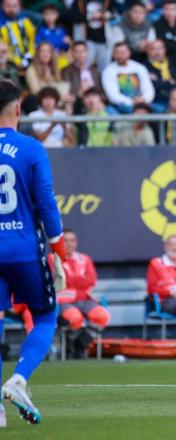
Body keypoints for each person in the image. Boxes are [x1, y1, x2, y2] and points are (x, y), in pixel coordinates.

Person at [0, 78, 65, 425]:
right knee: (44, 317)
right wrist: (60, 252)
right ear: (18, 109)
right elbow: (46, 204)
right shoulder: (30, 148)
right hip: (24, 249)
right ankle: (19, 379)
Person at [47, 229, 110, 358]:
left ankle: (80, 345)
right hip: (63, 301)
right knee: (75, 318)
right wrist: (79, 280)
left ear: (76, 243)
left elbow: (91, 280)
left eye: (72, 240)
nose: (69, 244)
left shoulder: (85, 259)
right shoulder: (53, 258)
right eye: (65, 240)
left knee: (102, 315)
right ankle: (69, 349)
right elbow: (59, 279)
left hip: (84, 299)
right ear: (59, 242)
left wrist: (70, 280)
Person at [102, 42, 155, 114]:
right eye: (116, 53)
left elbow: (148, 89)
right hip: (121, 105)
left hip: (142, 103)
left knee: (160, 110)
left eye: (122, 52)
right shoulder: (108, 71)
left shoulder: (139, 67)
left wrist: (144, 99)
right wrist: (132, 102)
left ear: (129, 53)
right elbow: (113, 96)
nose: (119, 55)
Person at [144, 39, 176, 113]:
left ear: (164, 50)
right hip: (157, 102)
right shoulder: (144, 67)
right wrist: (169, 82)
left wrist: (160, 81)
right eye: (153, 49)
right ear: (147, 51)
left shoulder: (172, 64)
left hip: (175, 101)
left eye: (160, 48)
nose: (157, 52)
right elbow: (152, 87)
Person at [0, 0, 35, 69]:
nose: (11, 9)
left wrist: (29, 55)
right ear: (2, 6)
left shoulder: (26, 22)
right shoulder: (1, 25)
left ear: (20, 7)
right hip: (8, 62)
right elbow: (2, 48)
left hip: (29, 60)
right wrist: (17, 61)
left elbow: (33, 40)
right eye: (8, 5)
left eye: (15, 6)